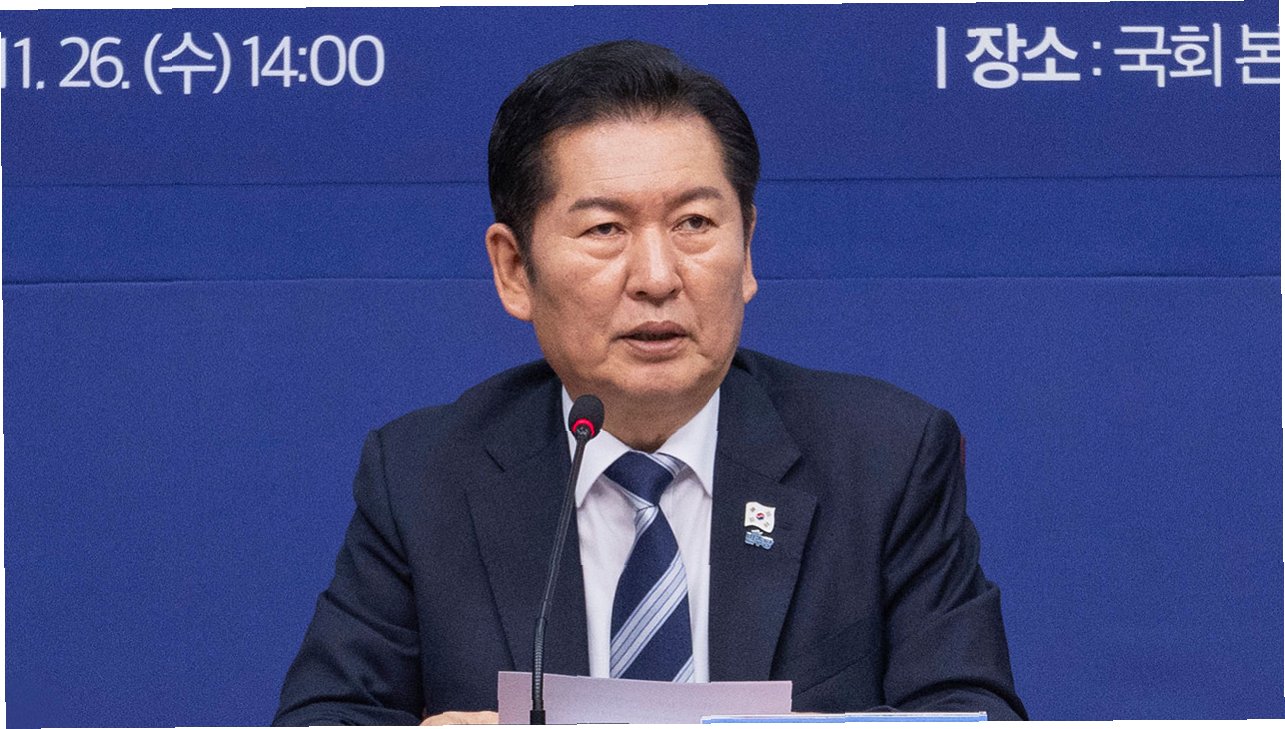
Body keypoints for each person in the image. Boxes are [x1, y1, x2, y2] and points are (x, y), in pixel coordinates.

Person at [273, 40, 1026, 725]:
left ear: (747, 249)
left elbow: (970, 711)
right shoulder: (424, 474)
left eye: (694, 223)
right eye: (605, 229)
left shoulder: (884, 457)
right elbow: (323, 716)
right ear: (514, 269)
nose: (658, 277)